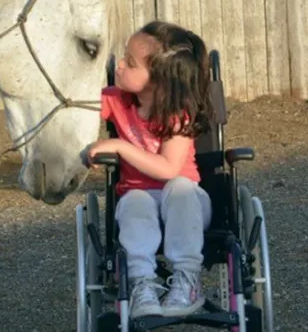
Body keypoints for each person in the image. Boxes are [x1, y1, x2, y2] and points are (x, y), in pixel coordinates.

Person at [86, 20, 214, 318]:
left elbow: (170, 168)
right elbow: (77, 108)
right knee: (134, 200)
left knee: (179, 188)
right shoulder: (115, 100)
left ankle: (187, 280)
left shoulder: (177, 115)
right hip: (139, 200)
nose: (119, 65)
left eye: (130, 62)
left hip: (188, 205)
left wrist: (119, 146)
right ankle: (142, 283)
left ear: (158, 80)